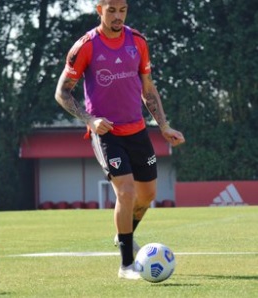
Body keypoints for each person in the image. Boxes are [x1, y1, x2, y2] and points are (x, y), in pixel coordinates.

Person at [54, 0, 185, 280]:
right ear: (99, 10)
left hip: (137, 131)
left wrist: (163, 125)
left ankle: (123, 234)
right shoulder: (85, 46)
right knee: (125, 192)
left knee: (147, 195)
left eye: (122, 10)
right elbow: (62, 93)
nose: (117, 16)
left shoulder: (137, 41)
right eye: (111, 10)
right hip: (106, 134)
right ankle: (126, 265)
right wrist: (90, 120)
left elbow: (147, 89)